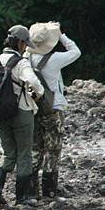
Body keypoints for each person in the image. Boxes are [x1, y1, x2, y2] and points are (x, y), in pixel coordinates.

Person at [0, 25, 44, 205]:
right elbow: (35, 83)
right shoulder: (21, 62)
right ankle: (21, 198)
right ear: (20, 42)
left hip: (1, 113)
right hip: (21, 112)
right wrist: (38, 94)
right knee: (24, 155)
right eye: (24, 44)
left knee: (8, 154)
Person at [26, 22, 81, 198]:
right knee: (53, 149)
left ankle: (32, 191)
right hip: (52, 109)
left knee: (35, 148)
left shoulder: (26, 58)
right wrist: (62, 35)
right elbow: (75, 52)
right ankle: (49, 190)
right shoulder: (55, 59)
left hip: (32, 108)